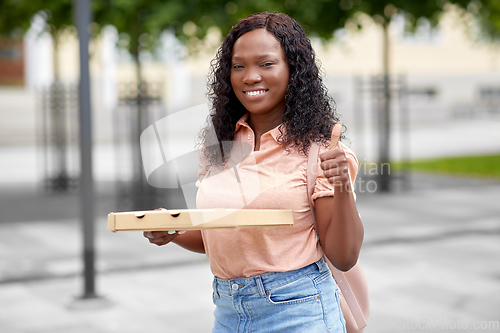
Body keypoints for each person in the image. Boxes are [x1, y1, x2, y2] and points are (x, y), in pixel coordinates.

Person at [144, 12, 365, 333]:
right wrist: (172, 230)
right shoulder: (220, 145)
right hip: (228, 311)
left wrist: (342, 186)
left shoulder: (321, 150)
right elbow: (220, 235)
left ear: (294, 71)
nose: (250, 76)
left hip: (299, 310)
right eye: (238, 65)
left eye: (266, 63)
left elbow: (343, 256)